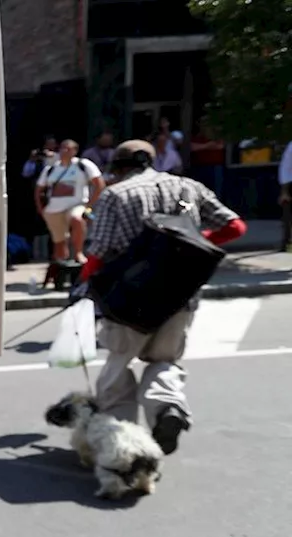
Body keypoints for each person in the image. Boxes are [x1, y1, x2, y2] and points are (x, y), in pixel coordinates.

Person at [80, 140, 247, 454]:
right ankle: (167, 410)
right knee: (164, 361)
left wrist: (83, 284)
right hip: (179, 298)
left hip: (129, 301)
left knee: (117, 368)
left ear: (119, 166)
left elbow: (98, 252)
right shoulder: (189, 187)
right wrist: (194, 240)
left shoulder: (115, 195)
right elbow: (235, 227)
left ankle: (124, 444)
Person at [35, 139, 104, 264]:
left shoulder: (83, 165)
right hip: (54, 208)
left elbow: (99, 184)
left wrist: (90, 205)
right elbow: (39, 189)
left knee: (76, 219)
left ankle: (78, 252)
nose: (64, 151)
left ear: (75, 151)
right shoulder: (50, 169)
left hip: (77, 204)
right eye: (62, 148)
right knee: (59, 244)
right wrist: (41, 208)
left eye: (68, 148)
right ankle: (60, 269)